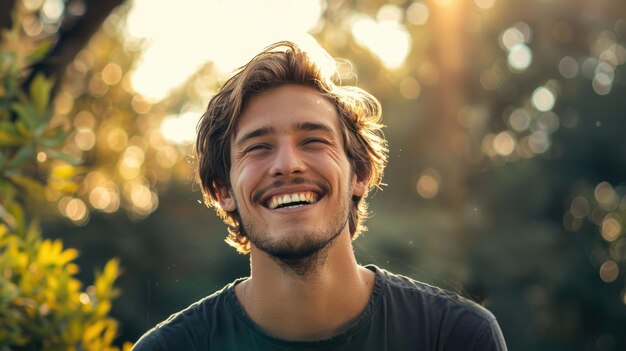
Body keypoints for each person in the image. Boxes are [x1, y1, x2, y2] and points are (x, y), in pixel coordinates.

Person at [133, 41, 507, 350]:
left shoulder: (457, 338)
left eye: (313, 140)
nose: (287, 164)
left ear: (359, 173)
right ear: (223, 190)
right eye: (259, 147)